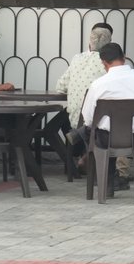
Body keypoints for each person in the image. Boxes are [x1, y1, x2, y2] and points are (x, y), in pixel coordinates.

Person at [79, 42, 134, 192]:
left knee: (93, 133)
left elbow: (89, 118)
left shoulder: (98, 84)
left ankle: (108, 183)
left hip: (107, 139)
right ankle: (120, 183)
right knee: (101, 132)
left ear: (104, 63)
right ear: (124, 58)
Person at [44, 23, 114, 166]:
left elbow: (60, 87)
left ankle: (78, 158)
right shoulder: (108, 63)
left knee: (63, 117)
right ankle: (91, 159)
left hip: (76, 121)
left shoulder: (77, 58)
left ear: (90, 41)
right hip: (100, 122)